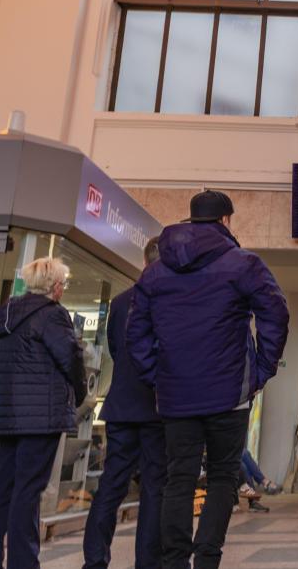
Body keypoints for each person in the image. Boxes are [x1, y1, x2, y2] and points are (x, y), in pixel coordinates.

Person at [128, 190, 289, 569]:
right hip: (229, 392)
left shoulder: (155, 271)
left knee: (178, 479)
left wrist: (157, 375)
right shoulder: (243, 263)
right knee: (222, 477)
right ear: (226, 221)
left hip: (176, 395)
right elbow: (276, 314)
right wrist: (261, 370)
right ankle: (207, 559)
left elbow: (135, 334)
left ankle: (174, 562)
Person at [0, 257, 86, 569]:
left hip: (8, 415)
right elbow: (72, 358)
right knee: (28, 490)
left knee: (1, 487)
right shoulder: (52, 315)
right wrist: (80, 393)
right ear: (56, 287)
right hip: (41, 417)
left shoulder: (7, 314)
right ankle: (23, 562)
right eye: (62, 283)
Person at [83, 238, 167, 569]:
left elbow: (116, 350)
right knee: (154, 488)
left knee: (110, 485)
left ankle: (94, 560)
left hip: (121, 405)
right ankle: (147, 563)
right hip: (156, 407)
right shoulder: (170, 300)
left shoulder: (119, 302)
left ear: (144, 260)